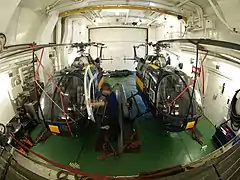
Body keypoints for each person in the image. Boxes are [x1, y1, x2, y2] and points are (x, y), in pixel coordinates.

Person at [91, 82, 120, 151]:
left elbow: (102, 103)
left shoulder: (110, 100)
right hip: (114, 117)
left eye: (102, 90)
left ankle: (107, 141)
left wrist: (89, 102)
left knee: (108, 128)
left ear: (106, 90)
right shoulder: (112, 95)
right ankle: (114, 136)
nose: (102, 92)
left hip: (110, 119)